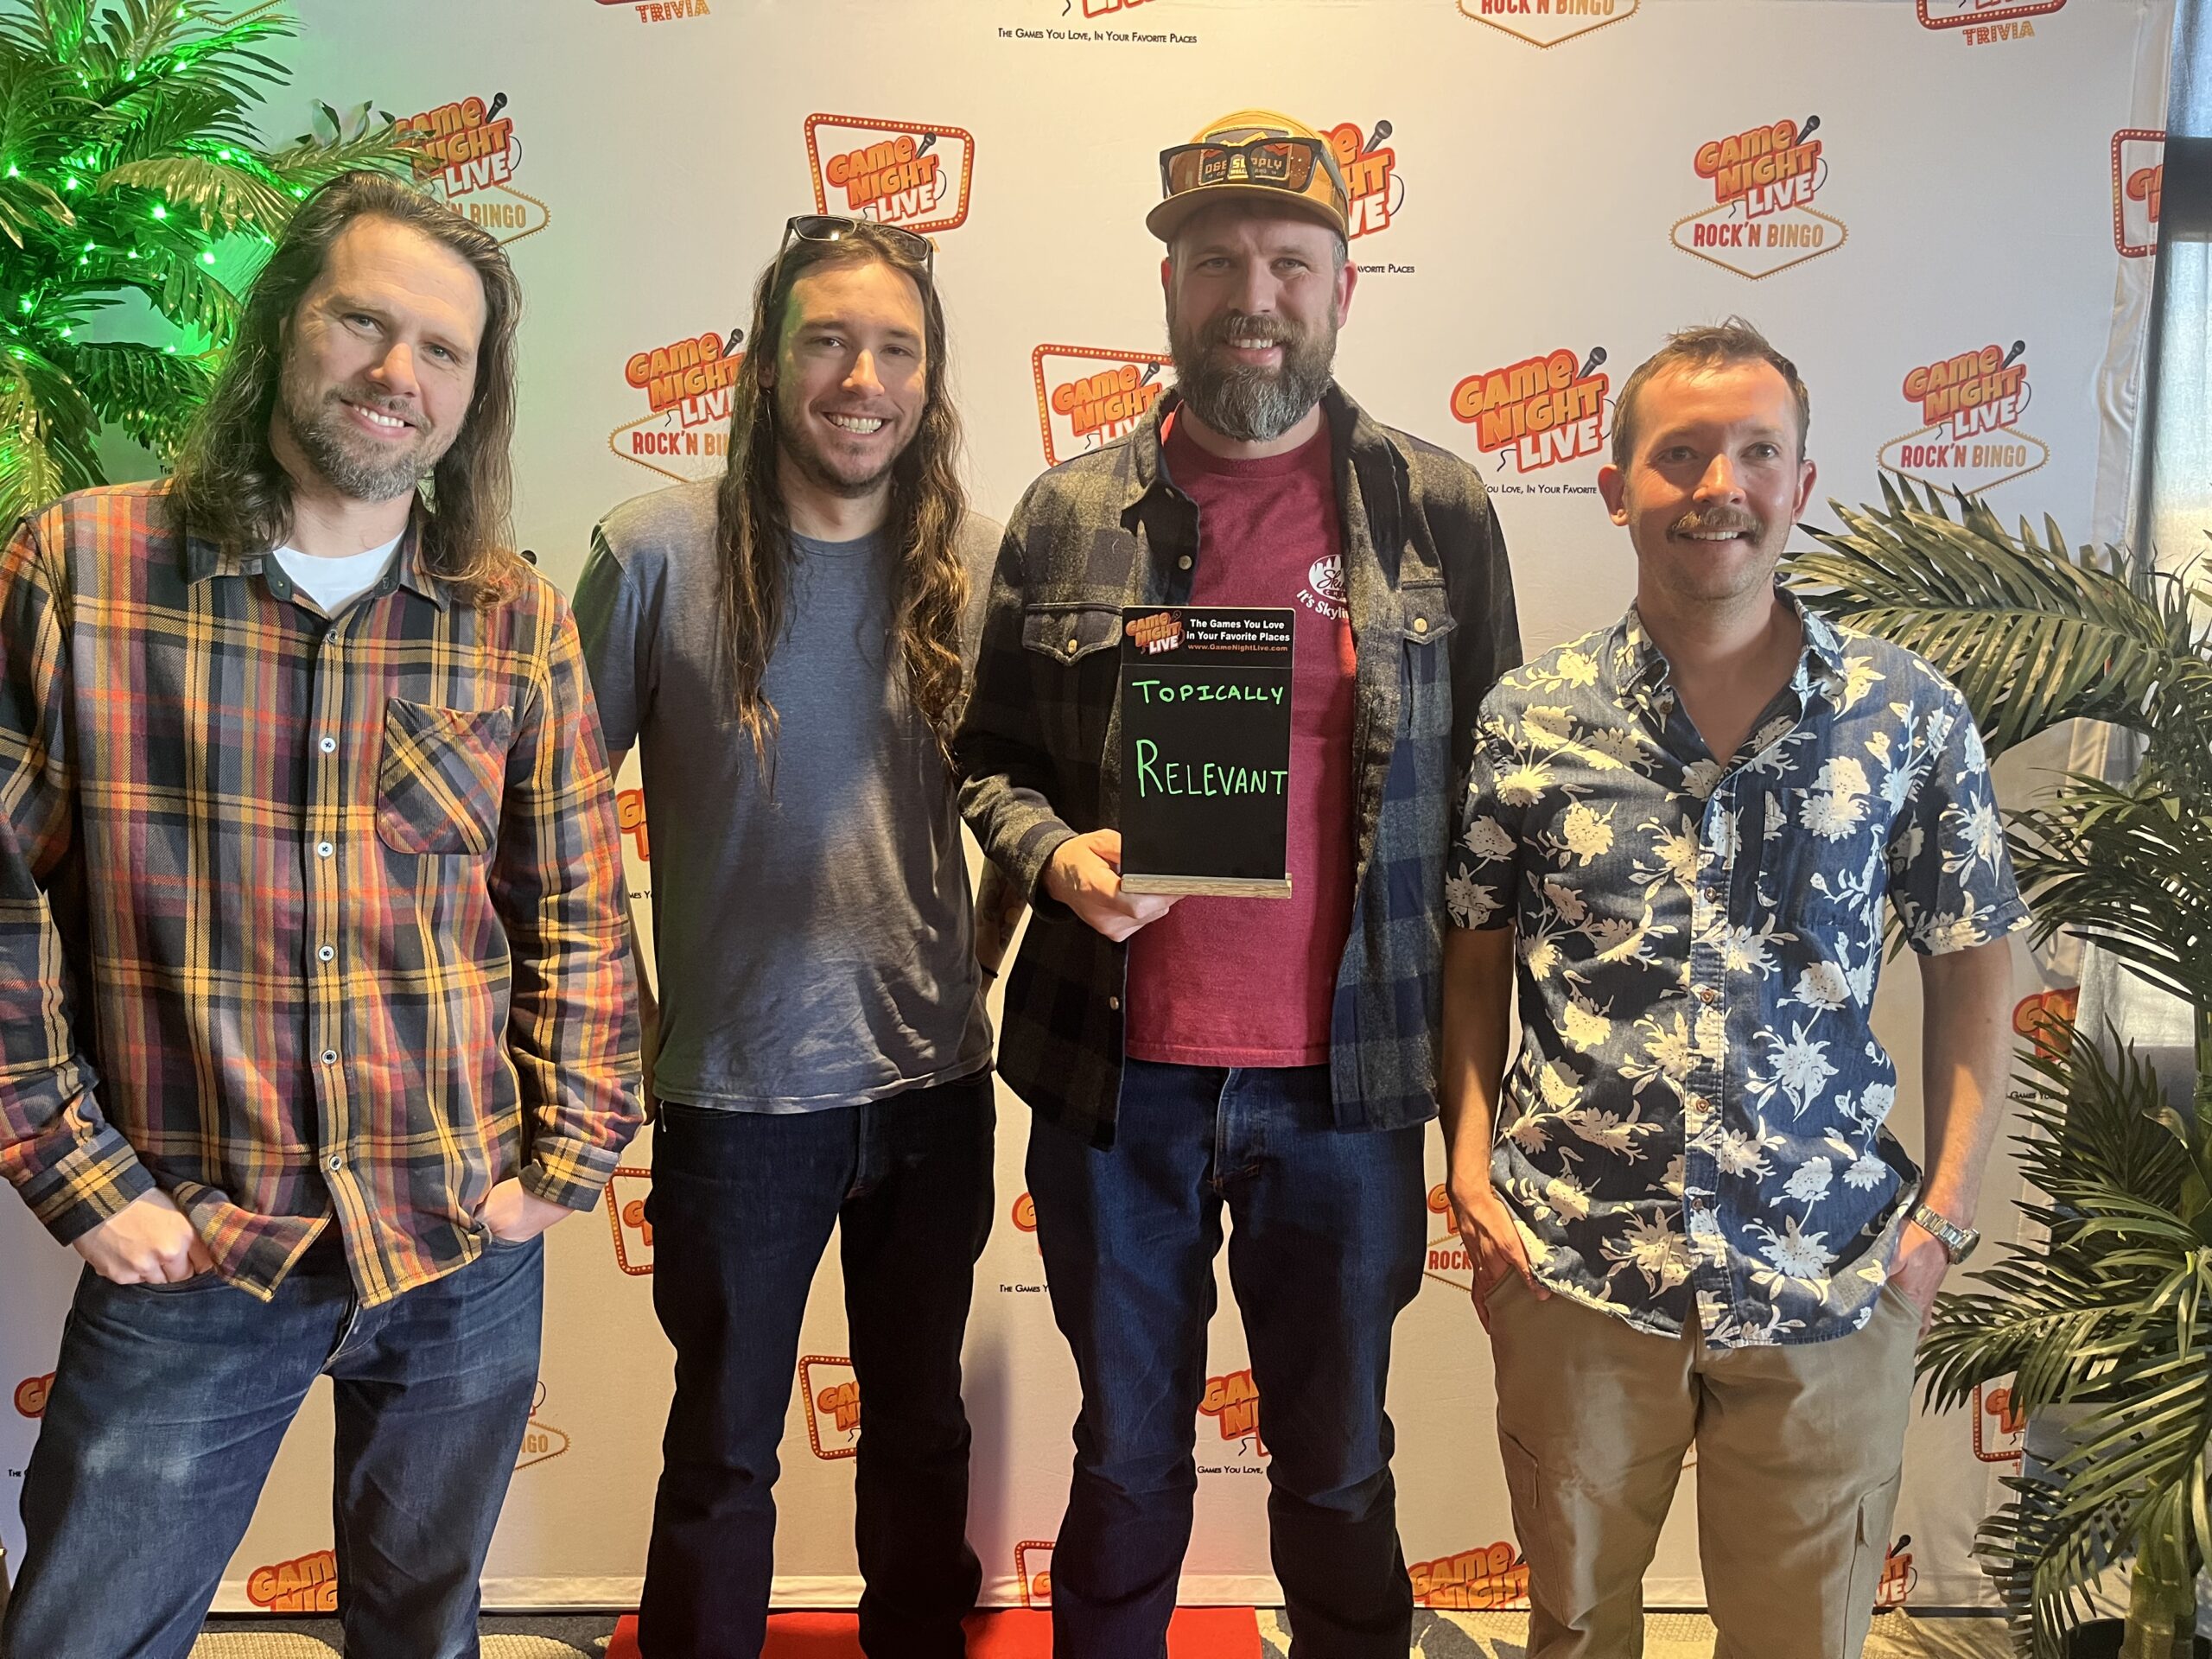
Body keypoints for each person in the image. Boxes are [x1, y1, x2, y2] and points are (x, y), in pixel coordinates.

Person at [0, 171, 641, 1659]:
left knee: (423, 1630)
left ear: (475, 394)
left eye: (443, 349)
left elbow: (577, 908)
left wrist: (560, 1164)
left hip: (458, 1243)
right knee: (85, 1638)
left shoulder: (511, 616)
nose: (397, 372)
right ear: (284, 323)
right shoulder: (82, 569)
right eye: (364, 321)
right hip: (196, 1244)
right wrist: (79, 1175)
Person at [955, 110, 1521, 1656]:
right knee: (1127, 1459)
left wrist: (1488, 1084)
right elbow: (989, 758)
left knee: (1337, 1467)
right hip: (1116, 1079)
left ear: (1343, 288)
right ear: (1170, 287)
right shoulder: (1070, 511)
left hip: (1349, 1089)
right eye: (1215, 263)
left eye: (1288, 263)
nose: (1251, 297)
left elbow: (1497, 800)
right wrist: (1055, 856)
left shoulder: (1437, 508)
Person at [1439, 321, 2024, 1658]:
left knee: (1799, 1641)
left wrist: (1942, 1216)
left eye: (1759, 453)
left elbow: (1973, 961)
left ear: (1801, 483)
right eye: (1682, 454)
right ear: (1616, 488)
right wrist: (1469, 1175)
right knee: (1577, 1629)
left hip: (1831, 1275)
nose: (1721, 486)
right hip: (1578, 1270)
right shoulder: (1529, 718)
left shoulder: (1907, 716)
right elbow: (1471, 959)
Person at [574, 214, 1001, 1659]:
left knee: (922, 1428)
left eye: (897, 350)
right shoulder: (653, 555)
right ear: (764, 366)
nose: (862, 380)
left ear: (929, 380)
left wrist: (978, 964)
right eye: (828, 341)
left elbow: (1031, 802)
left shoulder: (975, 566)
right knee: (723, 1449)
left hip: (933, 1094)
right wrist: (632, 1009)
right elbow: (550, 816)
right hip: (736, 1099)